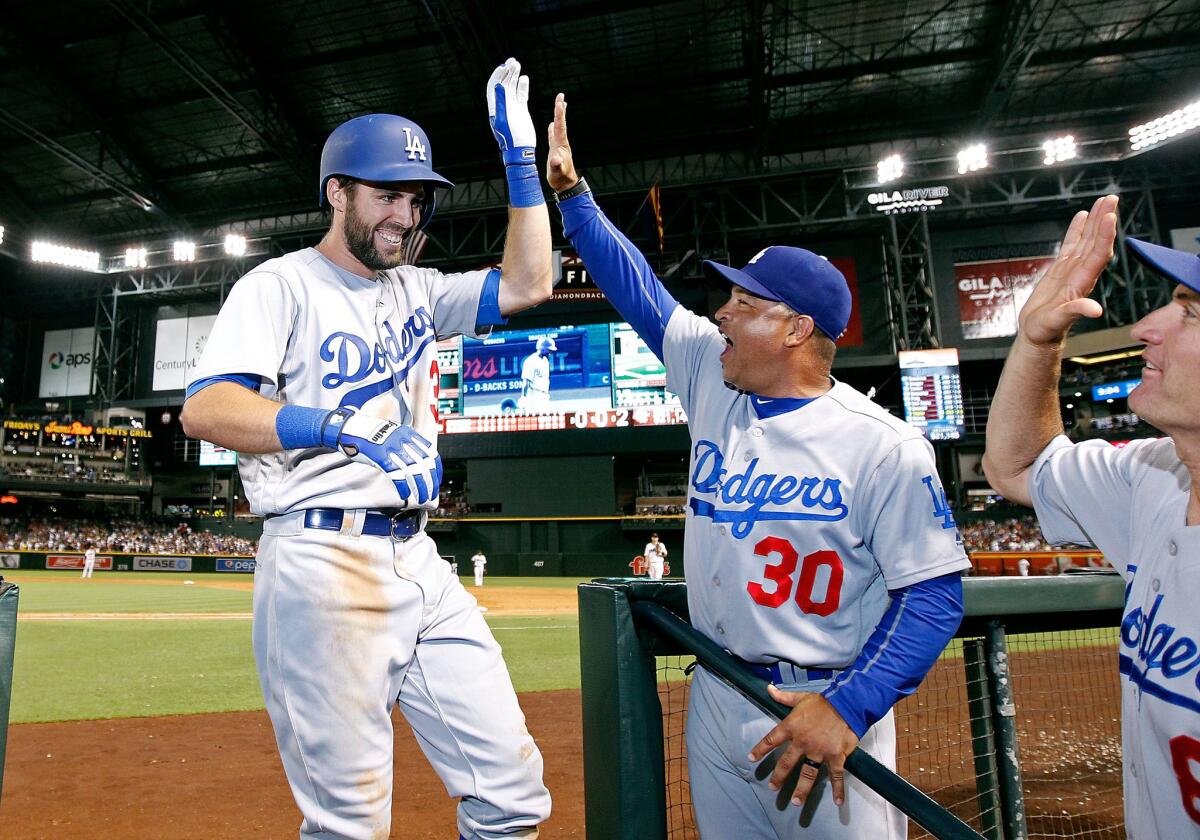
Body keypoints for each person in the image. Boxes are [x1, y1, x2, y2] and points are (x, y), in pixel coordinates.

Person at [544, 93, 969, 838]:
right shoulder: (714, 376)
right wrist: (574, 198)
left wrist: (849, 708)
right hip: (718, 690)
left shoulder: (884, 445)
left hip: (826, 705)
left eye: (746, 302)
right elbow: (637, 286)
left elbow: (933, 598)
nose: (723, 314)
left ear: (798, 330)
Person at [180, 58, 553, 840]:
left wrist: (522, 166)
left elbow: (528, 282)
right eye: (387, 194)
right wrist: (339, 426)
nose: (405, 215)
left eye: (415, 199)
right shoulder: (278, 285)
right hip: (322, 561)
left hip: (420, 561)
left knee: (514, 798)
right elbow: (207, 409)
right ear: (337, 192)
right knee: (350, 825)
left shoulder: (418, 287)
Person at [982, 194, 1200, 838]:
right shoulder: (1154, 475)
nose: (1144, 326)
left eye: (1188, 314)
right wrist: (1037, 338)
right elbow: (1018, 467)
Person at [517, 336, 555, 411]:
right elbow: (526, 381)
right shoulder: (531, 361)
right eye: (549, 350)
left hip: (544, 395)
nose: (550, 352)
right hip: (533, 396)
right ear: (542, 348)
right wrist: (523, 397)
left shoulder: (545, 361)